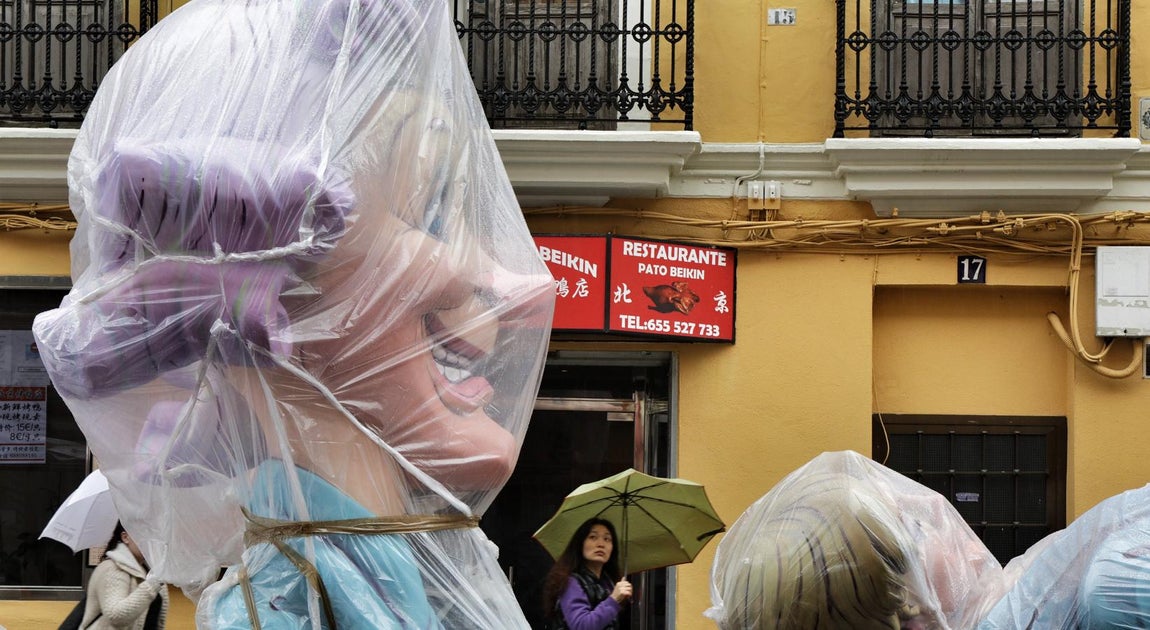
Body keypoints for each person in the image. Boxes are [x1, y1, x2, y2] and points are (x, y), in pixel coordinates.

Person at [32, 0, 555, 628]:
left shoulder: (402, 572)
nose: (522, 288)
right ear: (282, 302)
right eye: (426, 218)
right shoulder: (289, 605)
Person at [542, 518, 633, 630]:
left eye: (607, 539)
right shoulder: (571, 582)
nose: (601, 544)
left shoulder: (608, 584)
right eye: (593, 537)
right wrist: (613, 599)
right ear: (581, 544)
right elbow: (581, 626)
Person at [80, 522, 169, 630]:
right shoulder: (111, 568)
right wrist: (152, 584)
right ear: (125, 537)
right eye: (144, 535)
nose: (151, 542)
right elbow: (116, 616)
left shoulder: (150, 571)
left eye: (154, 536)